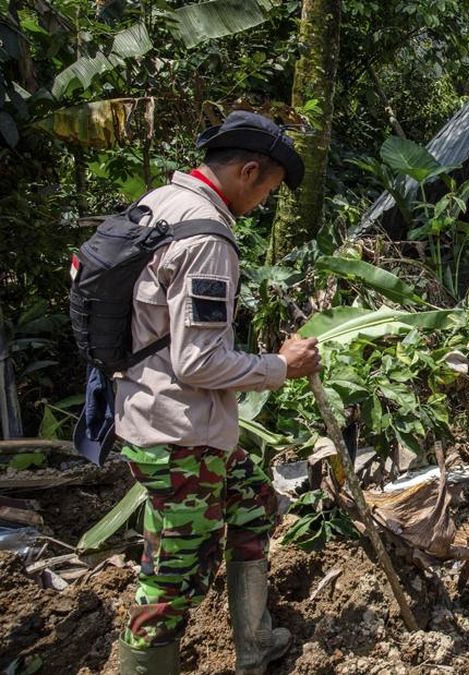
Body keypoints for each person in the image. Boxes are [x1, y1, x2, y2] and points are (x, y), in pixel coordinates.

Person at [114, 110, 320, 675]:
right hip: (180, 435)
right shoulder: (207, 237)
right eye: (270, 189)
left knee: (255, 502)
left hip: (159, 416)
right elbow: (199, 360)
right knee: (172, 574)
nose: (265, 202)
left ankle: (254, 645)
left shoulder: (158, 204)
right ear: (250, 171)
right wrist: (281, 365)